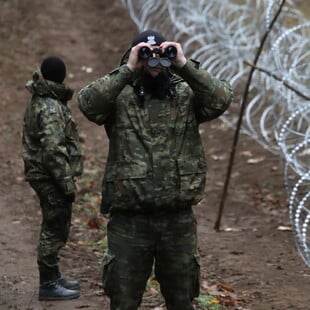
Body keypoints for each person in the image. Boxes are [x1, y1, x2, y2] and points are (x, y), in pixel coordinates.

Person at [77, 29, 233, 310]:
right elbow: (88, 103)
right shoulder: (120, 96)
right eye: (145, 55)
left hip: (177, 220)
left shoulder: (185, 94)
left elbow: (221, 99)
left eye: (159, 54)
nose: (153, 62)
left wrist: (184, 65)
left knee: (182, 299)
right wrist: (128, 69)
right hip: (130, 221)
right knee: (123, 300)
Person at [22, 56, 83, 300]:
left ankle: (54, 276)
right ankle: (48, 284)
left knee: (56, 223)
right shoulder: (49, 107)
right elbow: (53, 150)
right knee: (53, 226)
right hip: (50, 176)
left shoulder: (45, 99)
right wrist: (66, 182)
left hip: (46, 174)